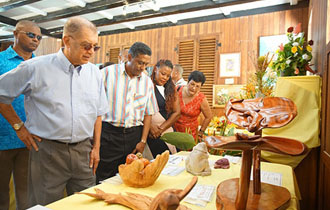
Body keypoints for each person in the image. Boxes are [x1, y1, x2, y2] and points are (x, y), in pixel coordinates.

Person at [0, 17, 108, 207]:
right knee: (45, 204)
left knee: (86, 203)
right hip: (47, 151)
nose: (91, 52)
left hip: (84, 151)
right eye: (85, 46)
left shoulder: (94, 73)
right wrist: (19, 127)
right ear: (67, 41)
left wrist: (96, 147)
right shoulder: (36, 67)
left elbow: (98, 113)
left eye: (95, 47)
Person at [96, 42, 158, 183]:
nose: (143, 68)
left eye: (146, 65)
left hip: (133, 136)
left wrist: (142, 141)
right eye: (140, 63)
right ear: (129, 57)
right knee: (105, 178)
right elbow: (93, 107)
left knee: (130, 178)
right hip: (109, 135)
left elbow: (148, 113)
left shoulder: (147, 82)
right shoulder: (106, 74)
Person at [0, 20, 41, 210]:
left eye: (39, 37)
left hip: (31, 139)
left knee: (27, 194)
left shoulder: (40, 64)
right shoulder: (1, 61)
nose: (35, 40)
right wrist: (17, 127)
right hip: (3, 138)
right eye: (31, 35)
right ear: (16, 34)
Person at [147, 59, 181, 157]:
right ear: (155, 69)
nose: (165, 78)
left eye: (168, 76)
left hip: (165, 129)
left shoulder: (170, 88)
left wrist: (160, 129)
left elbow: (177, 112)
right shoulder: (146, 84)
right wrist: (150, 127)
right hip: (149, 131)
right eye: (163, 74)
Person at [174, 71, 212, 142]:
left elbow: (208, 117)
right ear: (188, 82)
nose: (194, 88)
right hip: (174, 132)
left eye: (197, 86)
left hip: (190, 135)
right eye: (192, 84)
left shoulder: (201, 99)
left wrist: (201, 132)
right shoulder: (177, 90)